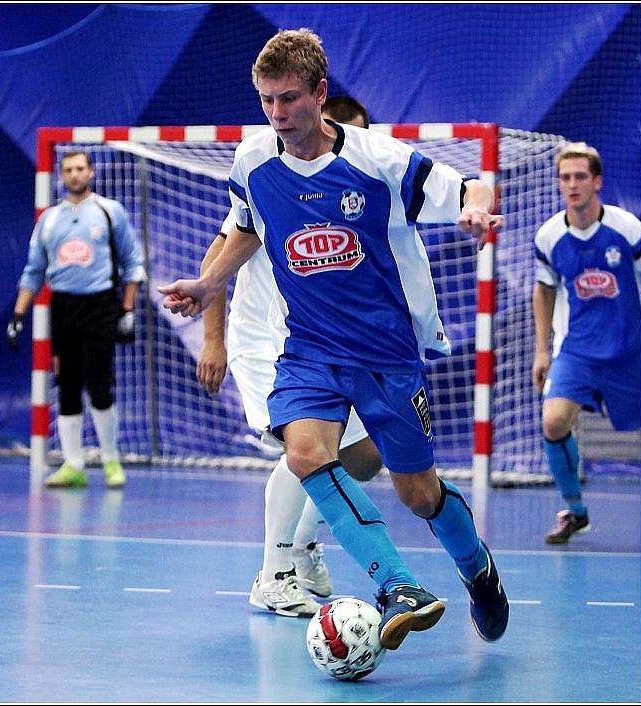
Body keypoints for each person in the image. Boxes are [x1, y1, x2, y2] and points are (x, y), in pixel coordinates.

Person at [160, 28, 509, 649]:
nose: (276, 114)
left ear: (320, 94)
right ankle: (397, 586)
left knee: (418, 491)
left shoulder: (378, 161)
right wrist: (210, 284)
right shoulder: (254, 159)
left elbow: (470, 186)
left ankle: (477, 568)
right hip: (307, 349)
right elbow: (245, 225)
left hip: (383, 354)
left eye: (288, 99)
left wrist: (477, 211)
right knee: (304, 454)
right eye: (265, 100)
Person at [197, 95, 381, 617]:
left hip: (322, 338)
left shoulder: (362, 189)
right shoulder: (272, 181)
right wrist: (215, 340)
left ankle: (301, 547)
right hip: (265, 340)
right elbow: (218, 258)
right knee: (305, 448)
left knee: (366, 456)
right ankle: (275, 573)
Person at [7, 150, 145, 489]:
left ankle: (111, 461)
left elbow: (132, 264)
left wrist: (127, 310)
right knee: (66, 384)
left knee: (99, 382)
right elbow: (34, 270)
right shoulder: (50, 220)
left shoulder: (110, 212)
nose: (74, 174)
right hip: (64, 307)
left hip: (101, 305)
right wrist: (18, 314)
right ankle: (73, 464)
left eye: (80, 168)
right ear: (60, 175)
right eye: (68, 169)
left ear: (91, 172)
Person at [532, 142, 641, 544]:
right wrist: (543, 350)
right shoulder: (549, 236)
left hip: (631, 351)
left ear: (597, 182)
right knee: (553, 420)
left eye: (581, 176)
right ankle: (575, 511)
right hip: (576, 351)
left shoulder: (627, 229)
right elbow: (543, 290)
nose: (573, 184)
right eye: (566, 177)